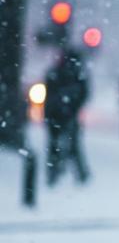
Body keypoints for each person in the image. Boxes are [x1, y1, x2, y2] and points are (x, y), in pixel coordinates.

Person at [44, 48, 90, 185]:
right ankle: (79, 174)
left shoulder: (56, 72)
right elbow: (84, 94)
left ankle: (54, 173)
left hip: (57, 114)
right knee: (72, 145)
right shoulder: (76, 74)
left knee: (56, 145)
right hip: (64, 114)